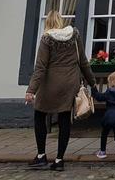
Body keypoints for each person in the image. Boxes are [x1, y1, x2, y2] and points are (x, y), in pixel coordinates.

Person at [25, 10, 96, 172]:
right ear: (61, 21)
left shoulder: (46, 39)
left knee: (40, 115)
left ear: (48, 23)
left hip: (50, 83)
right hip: (70, 82)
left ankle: (41, 156)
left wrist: (31, 90)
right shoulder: (74, 35)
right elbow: (83, 61)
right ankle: (59, 160)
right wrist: (93, 83)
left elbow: (40, 68)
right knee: (64, 119)